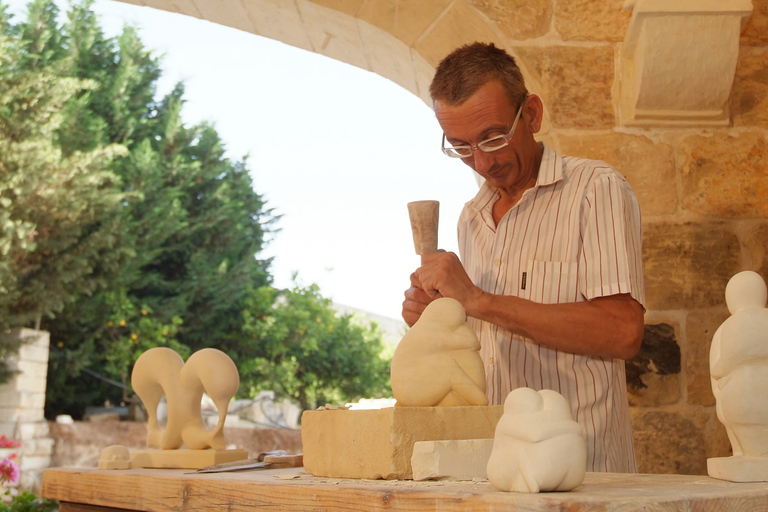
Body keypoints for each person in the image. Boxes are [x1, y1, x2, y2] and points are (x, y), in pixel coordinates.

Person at [402, 42, 645, 473]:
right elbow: (485, 342)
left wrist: (477, 300)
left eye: (493, 136)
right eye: (461, 146)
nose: (482, 161)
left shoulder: (594, 189)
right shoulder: (471, 220)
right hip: (499, 467)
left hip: (585, 472)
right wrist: (438, 318)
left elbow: (623, 331)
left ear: (531, 113)